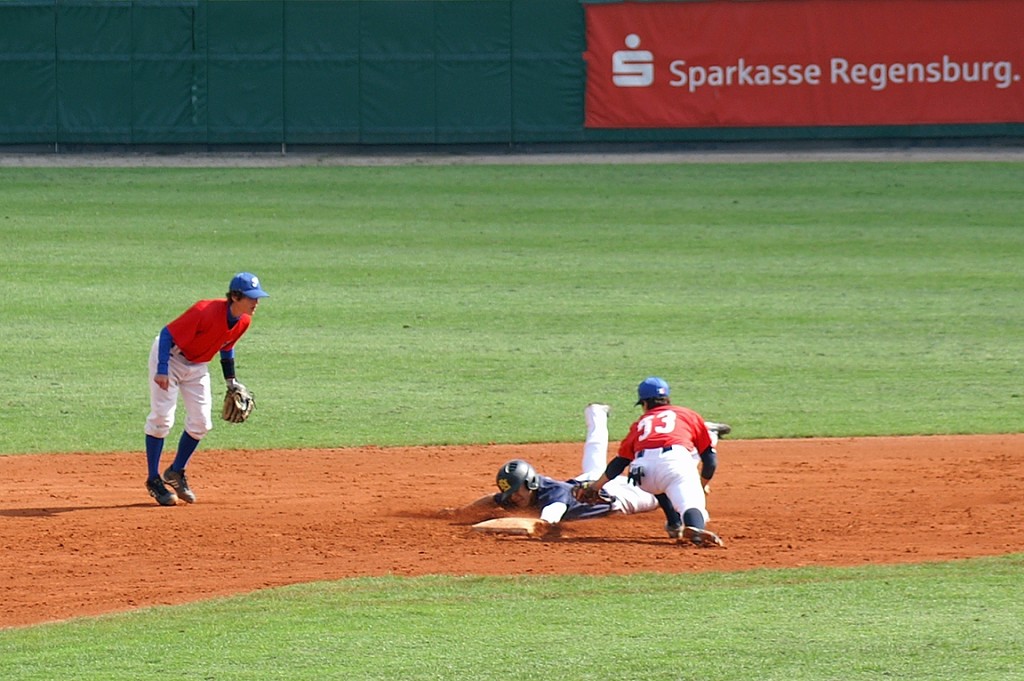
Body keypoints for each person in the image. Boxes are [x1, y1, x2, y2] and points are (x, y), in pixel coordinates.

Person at [450, 402, 730, 537]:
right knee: (594, 457)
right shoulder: (524, 490)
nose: (512, 498)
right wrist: (460, 512)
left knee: (664, 485)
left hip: (622, 497)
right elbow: (494, 498)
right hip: (584, 483)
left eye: (515, 492)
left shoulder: (554, 499)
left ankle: (709, 435)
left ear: (531, 484)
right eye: (510, 493)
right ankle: (595, 412)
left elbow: (540, 524)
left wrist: (479, 528)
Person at [143, 272, 269, 506]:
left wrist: (231, 380)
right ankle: (153, 479)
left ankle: (176, 471)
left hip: (198, 365)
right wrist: (162, 369)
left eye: (258, 297)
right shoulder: (204, 310)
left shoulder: (243, 321)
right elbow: (167, 334)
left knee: (201, 423)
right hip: (170, 357)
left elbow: (227, 346)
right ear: (235, 297)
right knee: (162, 419)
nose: (256, 302)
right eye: (251, 297)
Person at [579, 377, 724, 548]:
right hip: (674, 465)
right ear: (667, 399)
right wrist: (700, 485)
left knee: (660, 484)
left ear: (645, 403)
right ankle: (695, 531)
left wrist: (596, 486)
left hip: (642, 474)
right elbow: (710, 461)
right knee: (691, 503)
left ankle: (674, 523)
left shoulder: (639, 424)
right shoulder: (687, 415)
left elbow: (620, 462)